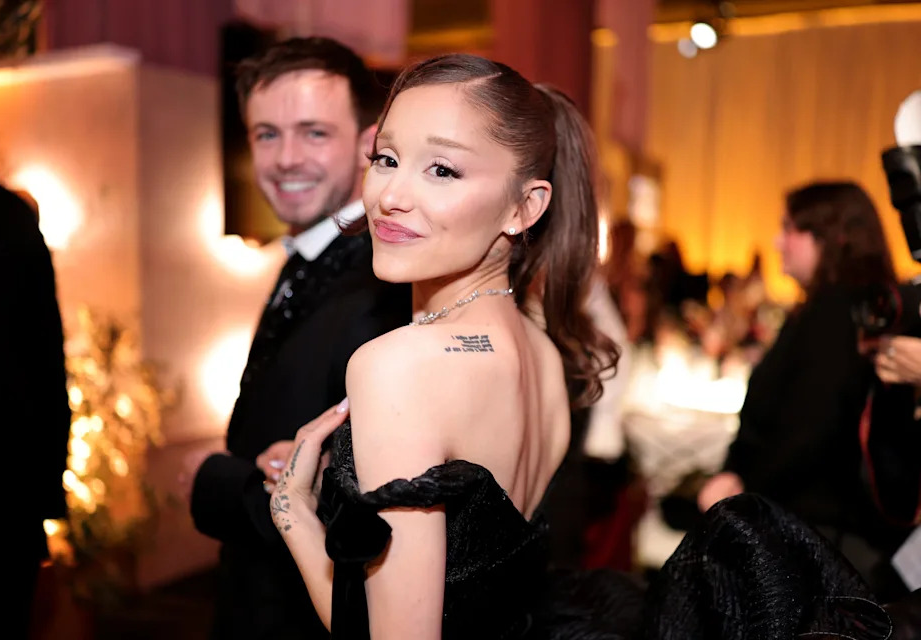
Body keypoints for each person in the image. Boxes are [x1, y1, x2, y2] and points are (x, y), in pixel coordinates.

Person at [263, 55, 900, 639]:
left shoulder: (397, 365)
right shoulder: (542, 350)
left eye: (442, 169)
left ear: (525, 206)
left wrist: (293, 512)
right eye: (386, 159)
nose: (391, 196)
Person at [188, 37, 410, 640]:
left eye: (314, 132)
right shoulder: (308, 258)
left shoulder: (382, 284)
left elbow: (360, 511)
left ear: (369, 143)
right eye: (266, 134)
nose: (285, 157)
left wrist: (213, 481)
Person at [698, 181, 905, 593]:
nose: (778, 242)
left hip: (812, 535)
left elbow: (809, 430)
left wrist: (742, 490)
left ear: (829, 237)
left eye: (789, 228)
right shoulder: (850, 308)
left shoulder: (835, 312)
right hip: (820, 529)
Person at [0, 163, 72, 637]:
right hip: (3, 505)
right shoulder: (6, 216)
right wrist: (46, 499)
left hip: (1, 501)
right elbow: (47, 367)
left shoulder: (7, 217)